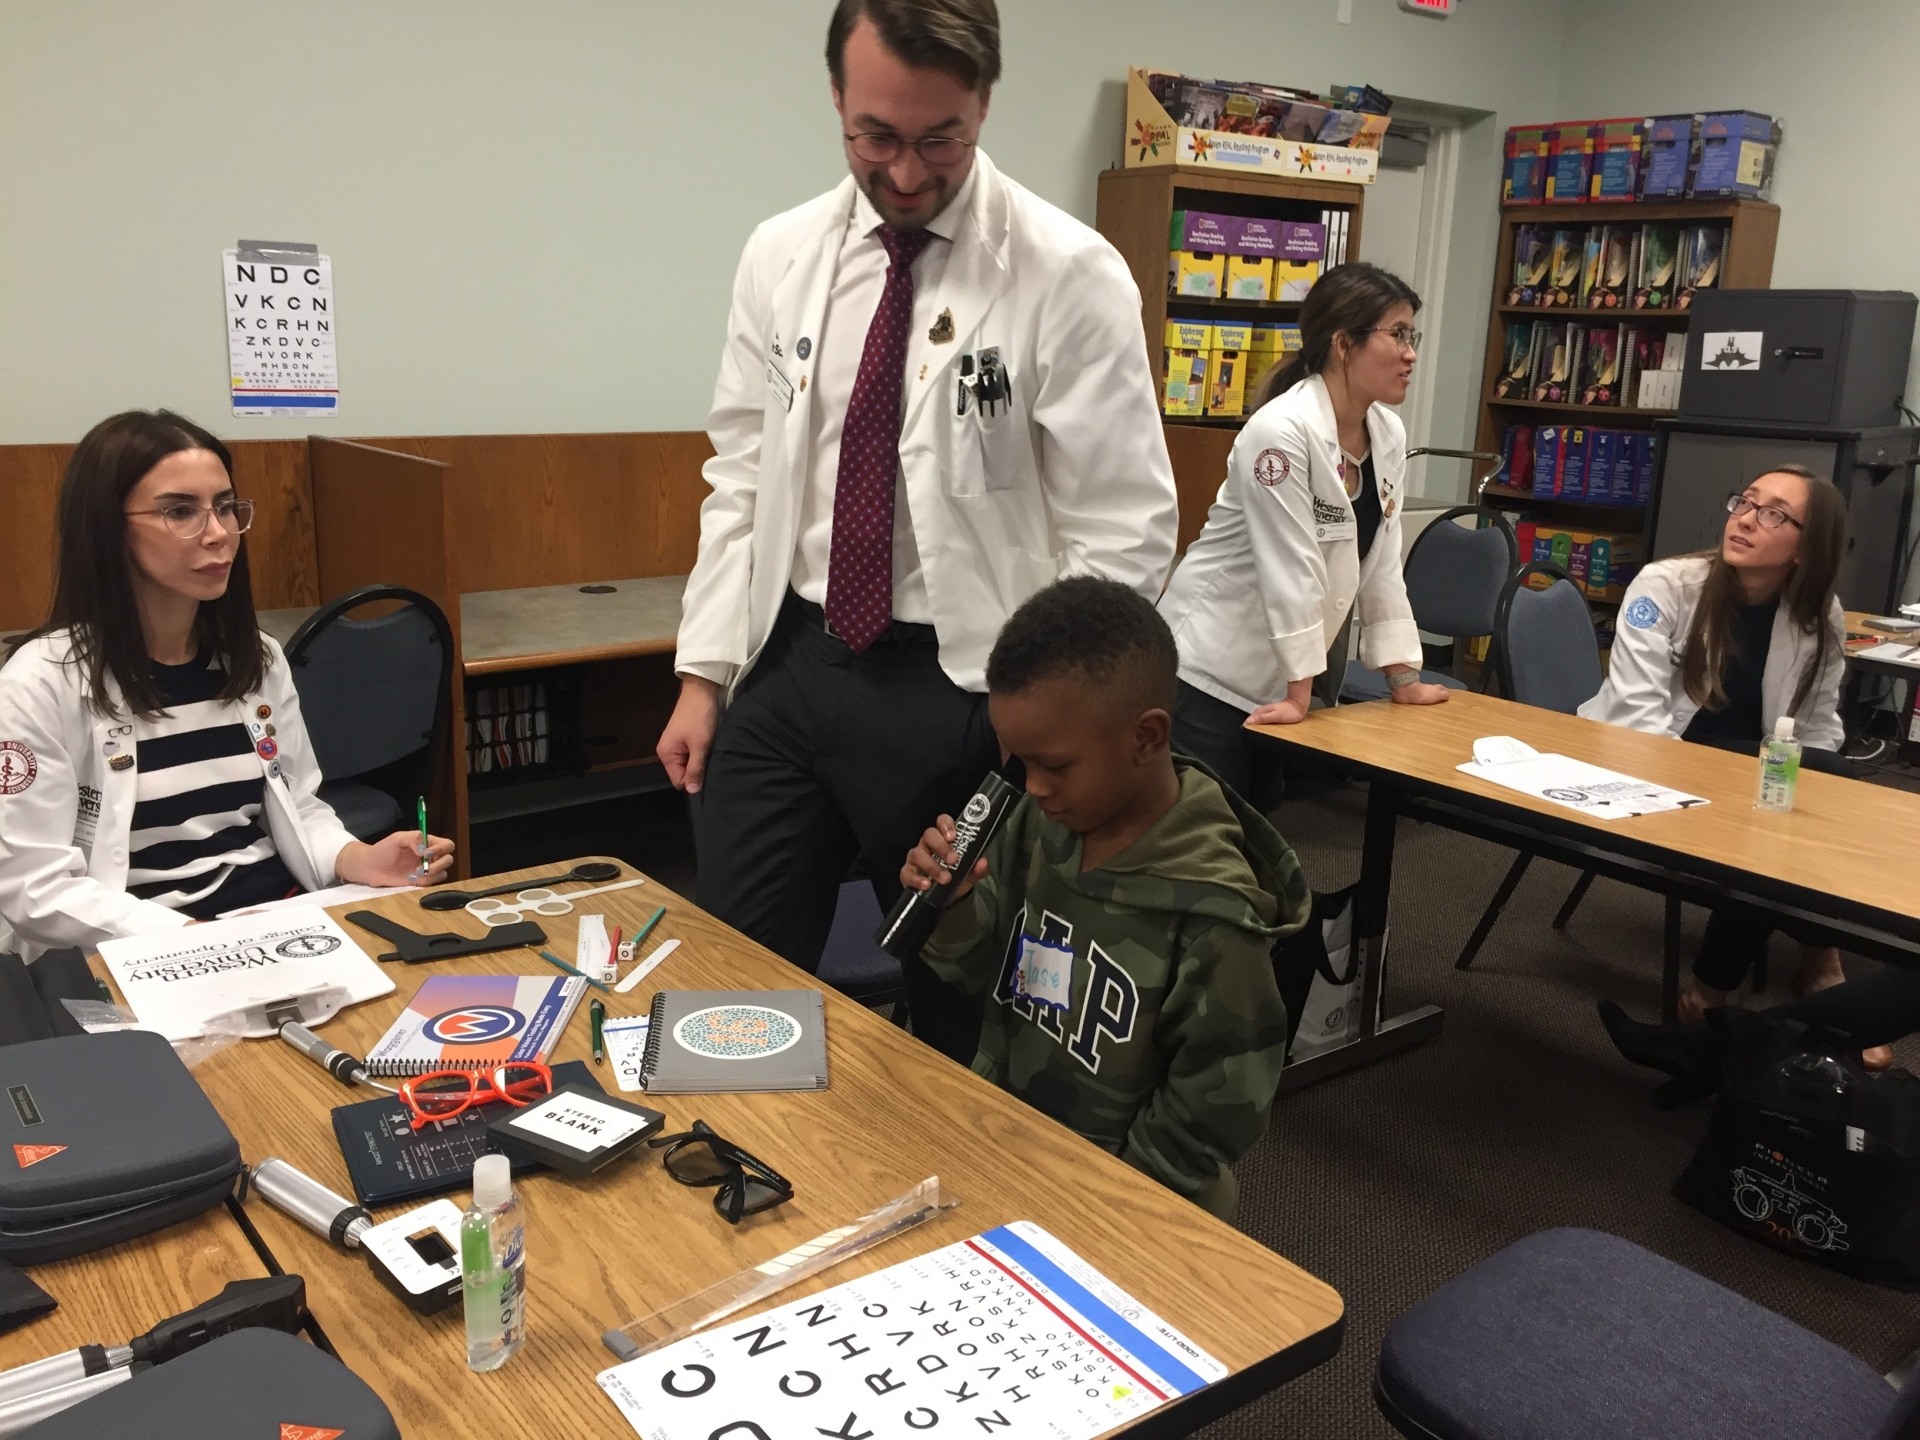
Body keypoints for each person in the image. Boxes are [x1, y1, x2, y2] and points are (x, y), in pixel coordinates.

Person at [657, 0, 1178, 1063]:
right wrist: (704, 673)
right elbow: (741, 472)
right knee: (733, 982)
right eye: (875, 137)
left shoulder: (1068, 273)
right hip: (794, 660)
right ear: (838, 102)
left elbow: (1125, 533)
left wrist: (1034, 736)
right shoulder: (781, 255)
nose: (903, 172)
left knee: (960, 996)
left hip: (965, 695)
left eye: (940, 139)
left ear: (985, 102)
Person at [900, 577, 1307, 1219]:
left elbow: (1217, 1106)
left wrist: (1105, 1203)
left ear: (1146, 738)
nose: (1031, 787)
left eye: (1054, 766)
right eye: (1018, 761)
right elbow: (981, 971)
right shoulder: (1037, 824)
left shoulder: (1215, 911)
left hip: (1133, 1209)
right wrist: (953, 906)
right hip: (1009, 1157)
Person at [0, 410, 454, 961]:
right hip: (139, 948)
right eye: (180, 511)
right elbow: (33, 886)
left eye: (224, 507)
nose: (218, 534)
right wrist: (191, 940)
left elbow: (298, 805)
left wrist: (356, 857)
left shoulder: (254, 658)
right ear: (107, 529)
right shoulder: (39, 683)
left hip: (273, 923)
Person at [1578, 465, 1861, 1035]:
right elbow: (1637, 722)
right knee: (1774, 819)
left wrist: (1795, 796)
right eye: (1745, 502)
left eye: (1774, 514)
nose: (1746, 519)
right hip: (1650, 758)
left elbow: (1818, 726)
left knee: (1812, 790)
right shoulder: (1665, 586)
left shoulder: (1818, 615)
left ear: (1806, 549)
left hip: (1748, 773)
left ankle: (1711, 992)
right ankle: (1819, 957)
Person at [1157, 263, 1449, 806]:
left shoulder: (1386, 432)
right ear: (1343, 344)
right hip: (1208, 669)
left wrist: (1403, 677)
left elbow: (1382, 564)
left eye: (1414, 336)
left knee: (1257, 832)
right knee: (1205, 835)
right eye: (1398, 334)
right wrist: (1300, 694)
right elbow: (1289, 566)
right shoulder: (1280, 431)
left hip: (1278, 676)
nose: (1411, 353)